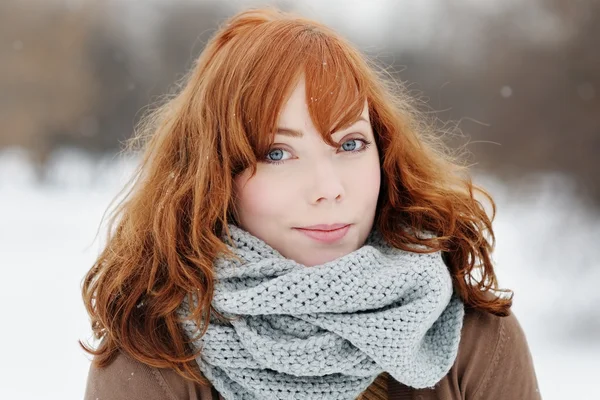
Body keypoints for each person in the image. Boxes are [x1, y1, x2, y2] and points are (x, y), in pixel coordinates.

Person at [81, 6, 541, 400]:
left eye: (350, 144)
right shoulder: (152, 359)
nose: (328, 187)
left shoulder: (474, 340)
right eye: (277, 153)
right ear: (215, 176)